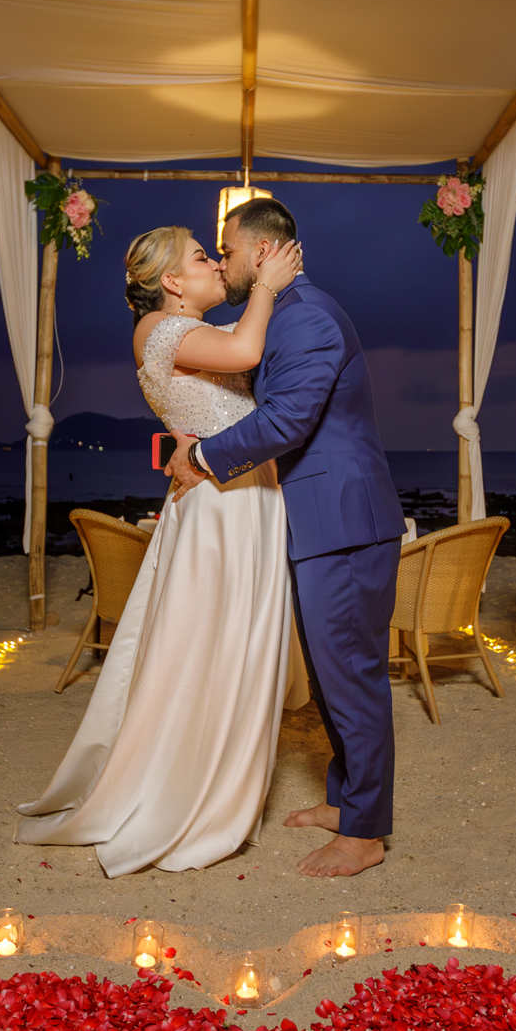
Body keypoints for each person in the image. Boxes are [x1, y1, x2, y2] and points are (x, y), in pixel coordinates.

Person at [16, 224, 304, 874]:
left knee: (227, 643)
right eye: (202, 257)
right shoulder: (161, 331)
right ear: (172, 282)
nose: (211, 265)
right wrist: (265, 285)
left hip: (241, 495)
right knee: (208, 645)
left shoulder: (179, 335)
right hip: (220, 509)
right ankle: (190, 789)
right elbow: (248, 351)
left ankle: (217, 770)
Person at [165, 197, 402, 879]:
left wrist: (204, 460)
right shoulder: (284, 315)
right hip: (319, 523)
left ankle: (366, 834)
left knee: (351, 675)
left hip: (343, 524)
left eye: (229, 250)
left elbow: (290, 419)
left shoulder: (309, 319)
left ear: (263, 251)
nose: (225, 261)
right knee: (333, 679)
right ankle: (348, 800)